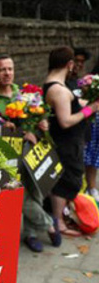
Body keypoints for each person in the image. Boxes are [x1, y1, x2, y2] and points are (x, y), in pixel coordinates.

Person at [0, 56, 57, 251]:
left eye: (10, 69)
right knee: (21, 194)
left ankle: (30, 233)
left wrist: (43, 125)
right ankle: (47, 224)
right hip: (9, 155)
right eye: (2, 70)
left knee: (36, 190)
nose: (7, 73)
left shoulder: (24, 93)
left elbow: (39, 118)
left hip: (32, 150)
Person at [45, 46, 99, 238]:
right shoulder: (58, 90)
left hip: (68, 142)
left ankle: (61, 217)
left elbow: (69, 106)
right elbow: (66, 121)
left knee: (69, 178)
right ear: (69, 64)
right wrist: (91, 109)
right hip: (66, 142)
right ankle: (58, 222)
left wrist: (86, 101)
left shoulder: (56, 85)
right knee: (66, 180)